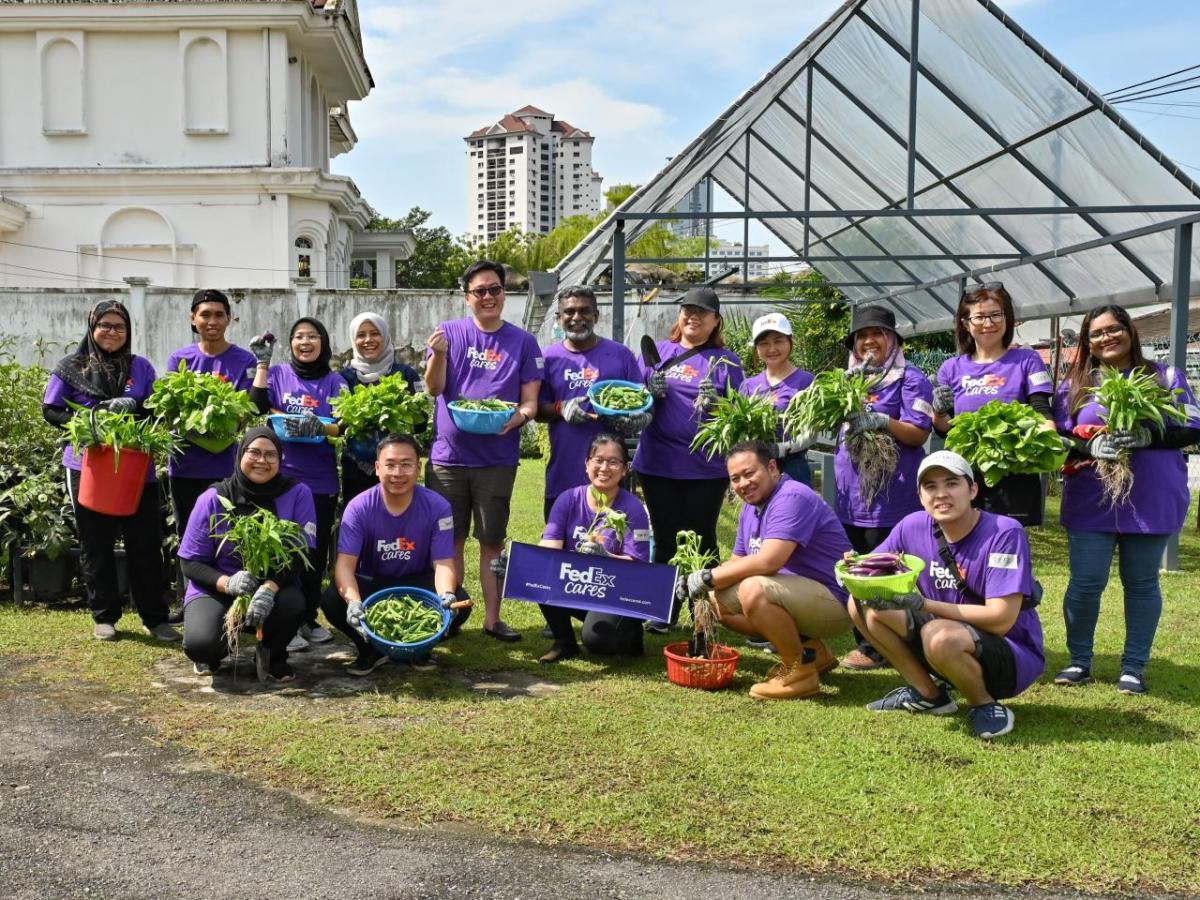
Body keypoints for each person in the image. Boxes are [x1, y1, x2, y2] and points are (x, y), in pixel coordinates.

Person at [1052, 305, 1200, 695]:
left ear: (1130, 331)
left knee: (1141, 583)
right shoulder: (1074, 385)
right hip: (1092, 497)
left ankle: (1134, 666)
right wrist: (1089, 445)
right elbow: (1058, 440)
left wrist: (1150, 435)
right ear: (1087, 342)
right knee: (1085, 582)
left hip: (1150, 496)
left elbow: (1192, 427)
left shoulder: (1165, 376)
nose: (1106, 337)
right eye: (1096, 333)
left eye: (1113, 329)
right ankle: (1078, 661)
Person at [848, 451, 1044, 740]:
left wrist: (924, 604)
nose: (941, 494)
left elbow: (1000, 619)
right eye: (931, 487)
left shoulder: (1004, 532)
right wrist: (855, 564)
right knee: (861, 604)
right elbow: (871, 571)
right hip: (942, 637)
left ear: (973, 489)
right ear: (920, 495)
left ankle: (984, 705)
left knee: (939, 635)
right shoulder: (912, 526)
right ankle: (929, 695)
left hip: (1011, 652)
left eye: (952, 483)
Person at [42, 300, 177, 643]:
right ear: (92, 327)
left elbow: (156, 409)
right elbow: (51, 410)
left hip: (136, 469)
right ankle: (105, 617)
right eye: (105, 325)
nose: (112, 332)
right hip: (88, 467)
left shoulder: (141, 367)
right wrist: (88, 423)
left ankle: (155, 617)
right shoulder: (71, 366)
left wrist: (136, 407)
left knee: (145, 543)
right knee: (96, 543)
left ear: (128, 332)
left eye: (120, 326)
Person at [424, 260, 543, 643]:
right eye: (480, 291)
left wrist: (519, 418)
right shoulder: (449, 334)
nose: (488, 297)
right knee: (450, 538)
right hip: (449, 457)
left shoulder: (523, 341)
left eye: (495, 289)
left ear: (504, 293)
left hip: (497, 457)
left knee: (492, 540)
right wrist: (439, 355)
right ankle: (452, 614)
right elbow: (433, 388)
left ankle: (493, 619)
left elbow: (530, 401)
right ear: (467, 296)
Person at [679, 441, 852, 699]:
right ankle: (812, 652)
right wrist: (701, 582)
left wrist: (707, 577)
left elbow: (768, 561)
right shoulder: (750, 508)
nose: (742, 484)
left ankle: (800, 674)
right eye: (735, 478)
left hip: (836, 602)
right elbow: (737, 561)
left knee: (753, 590)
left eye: (749, 474)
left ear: (772, 467)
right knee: (718, 600)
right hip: (800, 596)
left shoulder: (792, 496)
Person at [633, 286, 744, 627]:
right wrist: (647, 394)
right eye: (687, 310)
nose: (692, 316)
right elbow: (633, 404)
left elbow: (739, 415)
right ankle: (661, 612)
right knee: (665, 539)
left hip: (705, 469)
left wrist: (720, 404)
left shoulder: (727, 362)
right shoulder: (658, 353)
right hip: (657, 464)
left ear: (715, 321)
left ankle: (705, 614)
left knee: (704, 540)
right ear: (679, 316)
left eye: (702, 312)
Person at [834, 305, 933, 671]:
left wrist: (881, 420)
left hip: (891, 494)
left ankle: (894, 641)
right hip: (850, 494)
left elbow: (919, 431)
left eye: (877, 333)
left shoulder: (911, 379)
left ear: (892, 340)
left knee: (887, 571)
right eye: (861, 336)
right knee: (856, 568)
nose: (868, 341)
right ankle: (869, 640)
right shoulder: (847, 380)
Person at [177, 427, 315, 681]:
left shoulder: (297, 493)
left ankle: (272, 653)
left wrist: (269, 588)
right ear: (240, 454)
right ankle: (215, 651)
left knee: (293, 604)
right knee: (201, 645)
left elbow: (301, 553)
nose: (262, 461)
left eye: (270, 455)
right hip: (218, 587)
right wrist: (228, 583)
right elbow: (190, 561)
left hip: (273, 588)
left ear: (280, 459)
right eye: (254, 452)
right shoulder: (215, 497)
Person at [322, 433, 465, 676]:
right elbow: (345, 566)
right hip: (373, 585)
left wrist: (447, 595)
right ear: (377, 468)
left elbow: (443, 562)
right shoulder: (358, 507)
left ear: (418, 467)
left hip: (418, 584)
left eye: (406, 464)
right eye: (390, 465)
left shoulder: (438, 506)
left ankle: (421, 647)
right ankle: (369, 649)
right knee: (333, 600)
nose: (398, 473)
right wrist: (354, 603)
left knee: (460, 603)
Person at [163, 289, 261, 620]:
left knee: (231, 532)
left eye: (219, 315)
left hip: (227, 464)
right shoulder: (180, 359)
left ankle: (233, 593)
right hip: (186, 464)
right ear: (193, 319)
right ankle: (187, 599)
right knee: (187, 533)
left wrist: (221, 418)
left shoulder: (244, 360)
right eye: (205, 314)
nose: (212, 321)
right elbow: (172, 409)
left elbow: (246, 410)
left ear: (229, 319)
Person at [250, 316, 346, 651]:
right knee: (279, 548)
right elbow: (258, 405)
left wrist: (322, 429)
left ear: (323, 342)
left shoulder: (335, 381)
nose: (305, 343)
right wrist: (263, 363)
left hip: (320, 481)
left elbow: (344, 424)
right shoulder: (278, 374)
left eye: (313, 336)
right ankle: (282, 620)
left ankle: (306, 617)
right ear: (290, 343)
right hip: (280, 477)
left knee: (313, 552)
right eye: (299, 337)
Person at [932, 282, 1055, 525]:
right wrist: (937, 411)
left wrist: (1050, 442)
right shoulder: (950, 368)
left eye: (995, 315)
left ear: (1007, 318)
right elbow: (945, 428)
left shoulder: (1026, 360)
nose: (988, 323)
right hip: (965, 476)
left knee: (1006, 548)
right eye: (979, 317)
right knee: (965, 549)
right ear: (966, 323)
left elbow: (1041, 409)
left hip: (1012, 473)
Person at [535, 433, 652, 663]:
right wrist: (522, 562)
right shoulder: (568, 499)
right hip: (578, 584)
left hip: (617, 591)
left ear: (625, 469)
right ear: (587, 464)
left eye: (613, 462)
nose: (604, 467)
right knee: (541, 575)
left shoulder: (633, 508)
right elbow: (549, 548)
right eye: (598, 460)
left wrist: (605, 556)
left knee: (597, 641)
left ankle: (630, 630)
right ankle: (565, 642)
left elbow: (639, 567)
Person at [537, 285, 644, 520]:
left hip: (610, 476)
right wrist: (560, 408)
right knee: (559, 546)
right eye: (569, 312)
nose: (577, 318)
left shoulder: (620, 355)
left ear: (596, 316)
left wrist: (629, 419)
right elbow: (536, 409)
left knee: (610, 545)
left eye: (584, 311)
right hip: (563, 475)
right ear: (559, 318)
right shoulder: (549, 358)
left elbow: (642, 403)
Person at [339, 312, 423, 504]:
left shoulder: (405, 374)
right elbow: (338, 424)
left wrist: (398, 413)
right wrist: (362, 418)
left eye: (375, 333)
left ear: (385, 336)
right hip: (356, 470)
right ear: (354, 339)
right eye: (361, 335)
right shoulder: (344, 377)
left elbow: (421, 423)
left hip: (398, 470)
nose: (368, 340)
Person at [739, 313, 815, 486]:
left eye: (778, 341)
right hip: (756, 468)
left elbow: (812, 433)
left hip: (793, 468)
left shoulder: (806, 381)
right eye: (764, 343)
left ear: (790, 342)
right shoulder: (748, 385)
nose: (771, 349)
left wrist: (781, 448)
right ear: (756, 349)